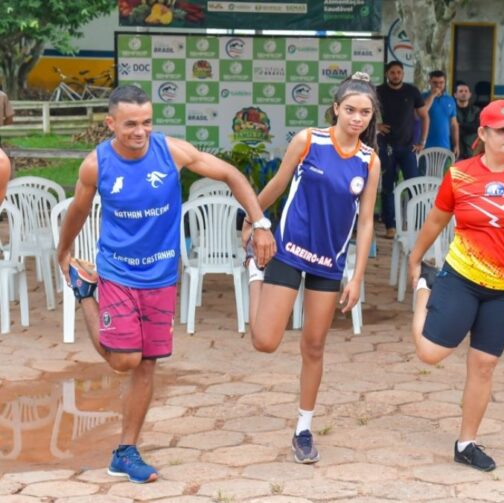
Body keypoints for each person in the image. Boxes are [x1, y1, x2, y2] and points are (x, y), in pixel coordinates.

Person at [55, 85, 276, 483]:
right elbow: (78, 209)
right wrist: (63, 252)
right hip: (118, 272)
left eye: (146, 122)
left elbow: (229, 173)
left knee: (147, 363)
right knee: (125, 360)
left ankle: (126, 451)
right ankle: (85, 292)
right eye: (130, 125)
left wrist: (259, 223)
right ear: (110, 124)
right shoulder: (96, 165)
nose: (140, 132)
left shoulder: (170, 152)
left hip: (160, 276)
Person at [408, 99, 504, 471]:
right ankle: (424, 292)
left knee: (483, 365)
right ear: (482, 133)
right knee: (430, 354)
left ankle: (466, 442)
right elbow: (435, 220)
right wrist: (416, 259)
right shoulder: (460, 174)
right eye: (503, 130)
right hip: (461, 278)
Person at [245, 73, 380, 464]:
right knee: (265, 341)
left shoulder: (369, 161)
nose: (357, 118)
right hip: (289, 251)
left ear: (372, 117)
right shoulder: (309, 141)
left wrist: (357, 276)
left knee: (314, 345)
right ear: (336, 108)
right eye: (351, 110)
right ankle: (255, 272)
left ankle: (303, 428)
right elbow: (279, 182)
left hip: (329, 263)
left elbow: (367, 220)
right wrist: (254, 220)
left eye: (365, 113)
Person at [377, 61, 428, 238]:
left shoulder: (412, 91)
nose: (396, 75)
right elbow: (365, 112)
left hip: (408, 148)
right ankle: (390, 226)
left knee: (413, 185)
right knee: (388, 186)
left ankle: (416, 223)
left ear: (402, 74)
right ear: (387, 74)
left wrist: (422, 141)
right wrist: (376, 125)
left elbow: (424, 116)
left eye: (399, 72)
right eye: (392, 72)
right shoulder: (378, 91)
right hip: (387, 145)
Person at [422, 70, 460, 159]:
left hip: (445, 146)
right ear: (429, 82)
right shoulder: (422, 97)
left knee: (444, 172)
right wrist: (432, 96)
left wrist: (456, 145)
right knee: (424, 172)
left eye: (441, 82)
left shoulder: (450, 99)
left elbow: (454, 124)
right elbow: (422, 113)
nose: (438, 85)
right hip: (424, 146)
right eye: (435, 82)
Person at [454, 81, 480, 160]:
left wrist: (458, 125)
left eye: (466, 91)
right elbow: (450, 127)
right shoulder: (451, 109)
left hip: (471, 150)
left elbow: (476, 127)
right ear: (455, 95)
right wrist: (467, 126)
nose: (463, 93)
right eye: (461, 91)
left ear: (470, 94)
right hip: (455, 150)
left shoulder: (476, 110)